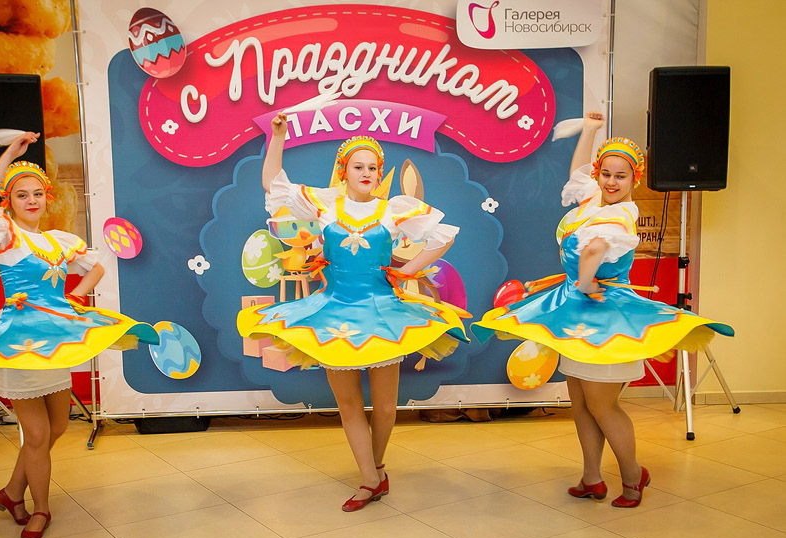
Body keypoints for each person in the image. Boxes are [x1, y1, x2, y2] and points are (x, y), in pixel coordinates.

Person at [471, 112, 733, 508]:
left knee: (602, 406)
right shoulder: (592, 200)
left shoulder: (619, 216)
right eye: (606, 174)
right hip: (576, 315)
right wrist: (590, 131)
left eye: (620, 176)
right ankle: (591, 477)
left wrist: (585, 282)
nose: (611, 182)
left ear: (634, 180)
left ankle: (632, 476)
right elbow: (578, 173)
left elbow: (594, 249)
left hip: (605, 317)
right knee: (580, 402)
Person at [0, 132, 159, 538]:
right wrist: (11, 152)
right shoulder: (6, 236)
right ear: (9, 201)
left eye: (37, 194)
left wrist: (75, 296)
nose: (31, 201)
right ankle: (39, 509)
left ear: (47, 198)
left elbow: (96, 267)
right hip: (20, 343)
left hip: (56, 341)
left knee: (57, 427)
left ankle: (12, 491)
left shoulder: (57, 241)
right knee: (38, 434)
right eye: (21, 195)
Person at [238, 114, 468, 511]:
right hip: (333, 312)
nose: (366, 173)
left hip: (384, 314)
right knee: (348, 403)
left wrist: (406, 272)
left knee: (385, 406)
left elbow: (442, 236)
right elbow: (273, 185)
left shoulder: (394, 210)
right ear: (344, 172)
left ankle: (376, 468)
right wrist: (277, 138)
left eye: (372, 168)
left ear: (379, 174)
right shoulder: (325, 205)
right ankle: (369, 480)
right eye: (358, 166)